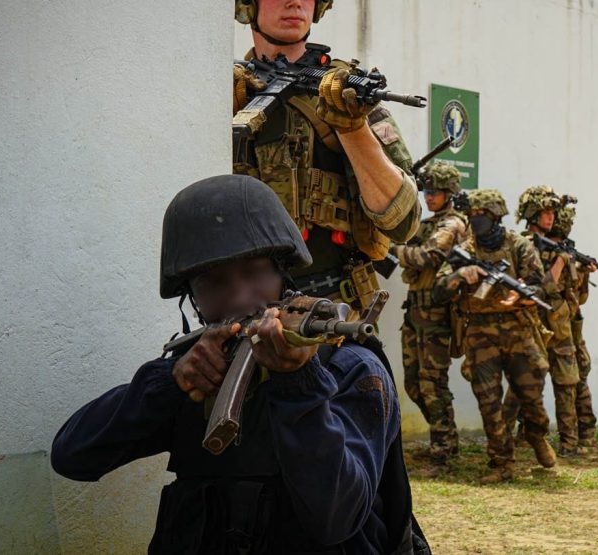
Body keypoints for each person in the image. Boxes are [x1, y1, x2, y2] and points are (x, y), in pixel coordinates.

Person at [51, 174, 428, 554]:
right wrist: (168, 384)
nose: (240, 295)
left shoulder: (352, 368)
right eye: (213, 282)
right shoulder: (195, 369)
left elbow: (336, 519)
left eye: (254, 272)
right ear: (192, 299)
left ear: (283, 273)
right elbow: (73, 457)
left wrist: (299, 385)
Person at [232, 0, 421, 311]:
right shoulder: (223, 89)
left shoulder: (344, 90)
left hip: (335, 311)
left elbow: (404, 223)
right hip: (238, 307)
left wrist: (352, 128)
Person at [432, 189, 556, 483]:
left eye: (482, 216)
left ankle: (537, 435)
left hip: (518, 330)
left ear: (495, 216)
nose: (476, 221)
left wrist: (523, 296)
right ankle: (502, 463)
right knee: (488, 400)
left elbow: (541, 288)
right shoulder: (466, 249)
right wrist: (461, 276)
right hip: (480, 334)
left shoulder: (519, 245)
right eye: (472, 216)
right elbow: (438, 290)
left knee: (531, 395)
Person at [390, 162, 468, 473]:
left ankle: (443, 453)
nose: (428, 196)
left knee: (433, 383)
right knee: (413, 384)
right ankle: (446, 437)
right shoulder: (429, 223)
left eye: (434, 192)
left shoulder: (451, 225)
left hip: (436, 315)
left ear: (449, 193)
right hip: (415, 311)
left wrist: (394, 249)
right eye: (426, 191)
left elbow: (429, 257)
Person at [505, 186, 583, 455]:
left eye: (553, 212)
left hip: (558, 322)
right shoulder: (521, 244)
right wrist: (561, 263)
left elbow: (570, 290)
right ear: (532, 213)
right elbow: (542, 286)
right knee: (522, 383)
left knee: (566, 381)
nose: (550, 217)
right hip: (531, 321)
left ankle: (569, 444)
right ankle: (507, 441)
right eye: (545, 212)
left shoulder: (556, 245)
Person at [553, 203, 598, 447]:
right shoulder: (546, 252)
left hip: (569, 328)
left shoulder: (569, 256)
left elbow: (579, 298)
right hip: (552, 328)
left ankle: (586, 432)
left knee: (576, 378)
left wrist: (584, 274)